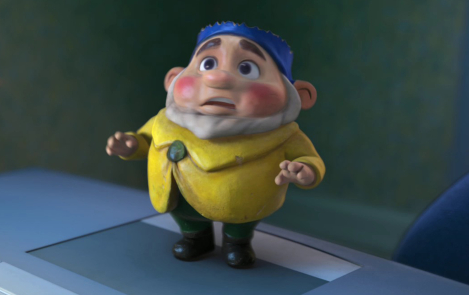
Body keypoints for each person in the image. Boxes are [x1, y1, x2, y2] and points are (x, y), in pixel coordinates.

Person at [106, 22, 325, 268]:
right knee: (187, 217)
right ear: (173, 79)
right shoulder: (164, 122)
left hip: (247, 204)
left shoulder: (283, 135)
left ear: (298, 94)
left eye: (247, 68)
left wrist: (305, 170)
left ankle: (237, 242)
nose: (217, 78)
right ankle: (195, 238)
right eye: (207, 63)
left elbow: (310, 159)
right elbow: (145, 141)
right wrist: (131, 145)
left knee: (241, 222)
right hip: (178, 196)